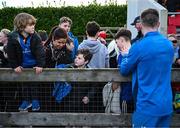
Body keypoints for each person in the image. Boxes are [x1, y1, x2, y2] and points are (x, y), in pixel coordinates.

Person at [118, 8, 174, 127]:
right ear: (158, 24)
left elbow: (124, 70)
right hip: (166, 104)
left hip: (147, 105)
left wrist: (125, 55)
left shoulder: (138, 46)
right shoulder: (168, 44)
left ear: (142, 24)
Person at [7, 13, 46, 111]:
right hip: (22, 66)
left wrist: (40, 65)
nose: (33, 27)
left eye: (34, 24)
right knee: (24, 84)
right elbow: (11, 53)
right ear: (22, 26)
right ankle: (26, 100)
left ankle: (35, 100)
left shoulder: (35, 36)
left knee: (34, 84)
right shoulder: (13, 37)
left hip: (33, 66)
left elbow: (40, 51)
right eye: (30, 25)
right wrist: (15, 65)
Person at [115, 28, 134, 113]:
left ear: (122, 40)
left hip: (126, 94)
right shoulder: (136, 52)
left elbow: (122, 72)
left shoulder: (122, 55)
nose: (117, 45)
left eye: (117, 42)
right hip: (137, 94)